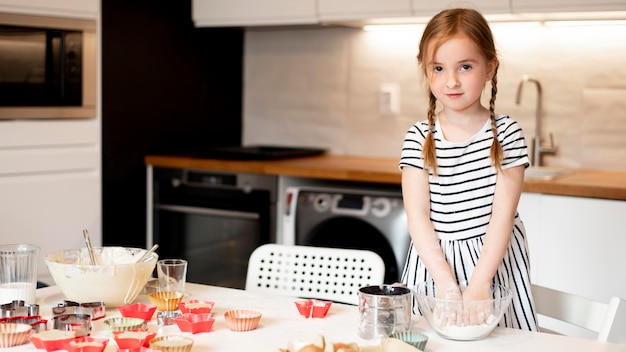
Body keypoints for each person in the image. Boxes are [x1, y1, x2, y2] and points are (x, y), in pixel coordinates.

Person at [399, 7, 538, 331]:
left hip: (492, 267)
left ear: (490, 67)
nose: (451, 80)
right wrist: (445, 284)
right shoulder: (418, 137)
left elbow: (502, 217)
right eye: (438, 68)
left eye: (465, 66)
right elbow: (417, 217)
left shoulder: (506, 134)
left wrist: (479, 285)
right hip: (433, 268)